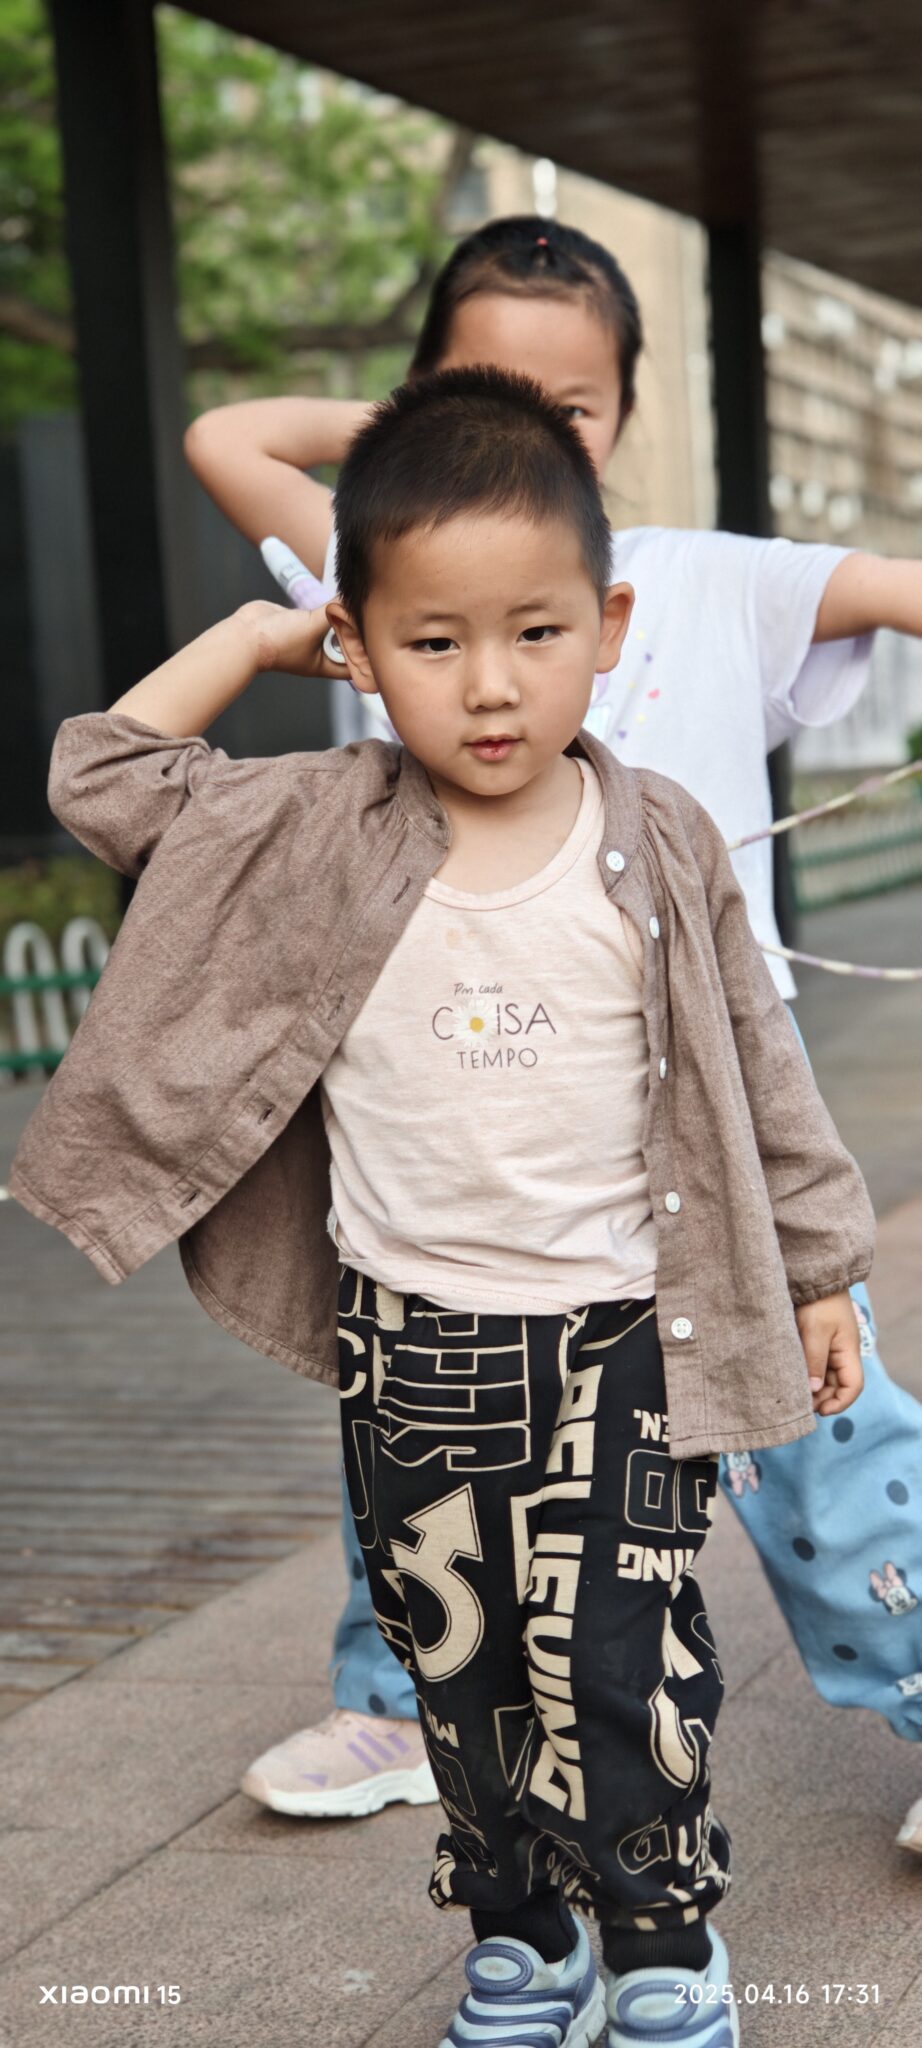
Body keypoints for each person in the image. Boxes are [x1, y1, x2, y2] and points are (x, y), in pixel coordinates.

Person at [11, 367, 874, 2047]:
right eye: (430, 641)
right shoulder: (311, 823)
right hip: (408, 1340)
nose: (488, 685)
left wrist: (822, 1266)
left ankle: (662, 1942)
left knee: (620, 1657)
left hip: (623, 1334)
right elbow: (104, 778)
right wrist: (258, 639)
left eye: (534, 633)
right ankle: (523, 1935)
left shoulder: (661, 835)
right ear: (358, 644)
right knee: (457, 1674)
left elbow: (756, 1063)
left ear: (606, 628)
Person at [185, 216, 922, 1848]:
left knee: (812, 1418)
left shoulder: (710, 578)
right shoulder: (389, 548)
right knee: (418, 1403)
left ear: (626, 414)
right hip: (448, 1090)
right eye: (483, 384)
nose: (529, 419)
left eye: (568, 404)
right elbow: (222, 435)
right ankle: (399, 1702)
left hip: (699, 1098)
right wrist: (434, 434)